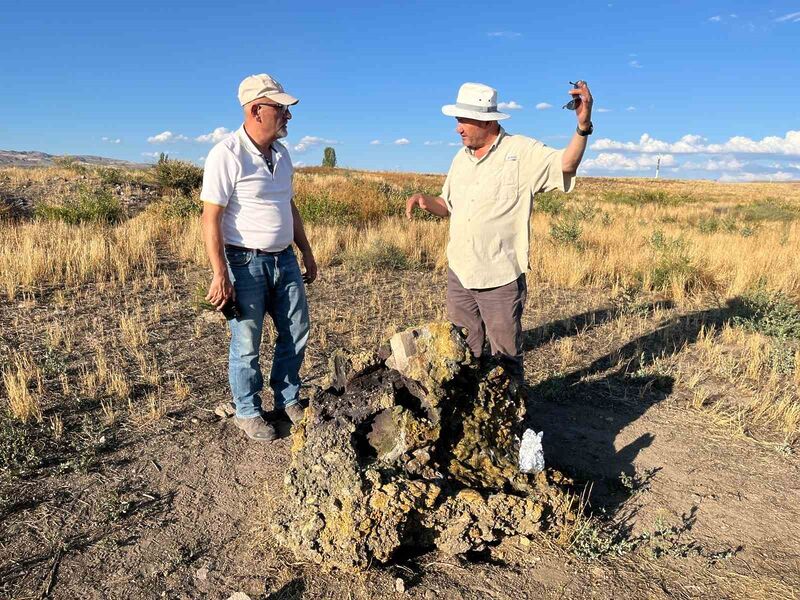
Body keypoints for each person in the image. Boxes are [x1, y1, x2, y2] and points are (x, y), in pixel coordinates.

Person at [406, 81, 593, 379]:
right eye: (457, 120)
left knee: (505, 359)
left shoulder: (521, 152)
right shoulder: (460, 159)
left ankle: (513, 422)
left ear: (488, 120)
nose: (458, 128)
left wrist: (583, 126)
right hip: (460, 274)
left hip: (500, 278)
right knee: (463, 353)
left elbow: (566, 164)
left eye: (463, 120)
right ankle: (473, 417)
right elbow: (448, 204)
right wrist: (428, 201)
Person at [201, 73, 318, 442]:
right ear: (256, 109)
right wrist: (220, 273)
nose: (288, 115)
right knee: (247, 341)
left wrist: (306, 251)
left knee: (296, 330)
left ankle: (287, 399)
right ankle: (248, 411)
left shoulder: (281, 155)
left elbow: (289, 205)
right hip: (244, 263)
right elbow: (211, 217)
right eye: (280, 108)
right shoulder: (227, 153)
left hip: (284, 260)